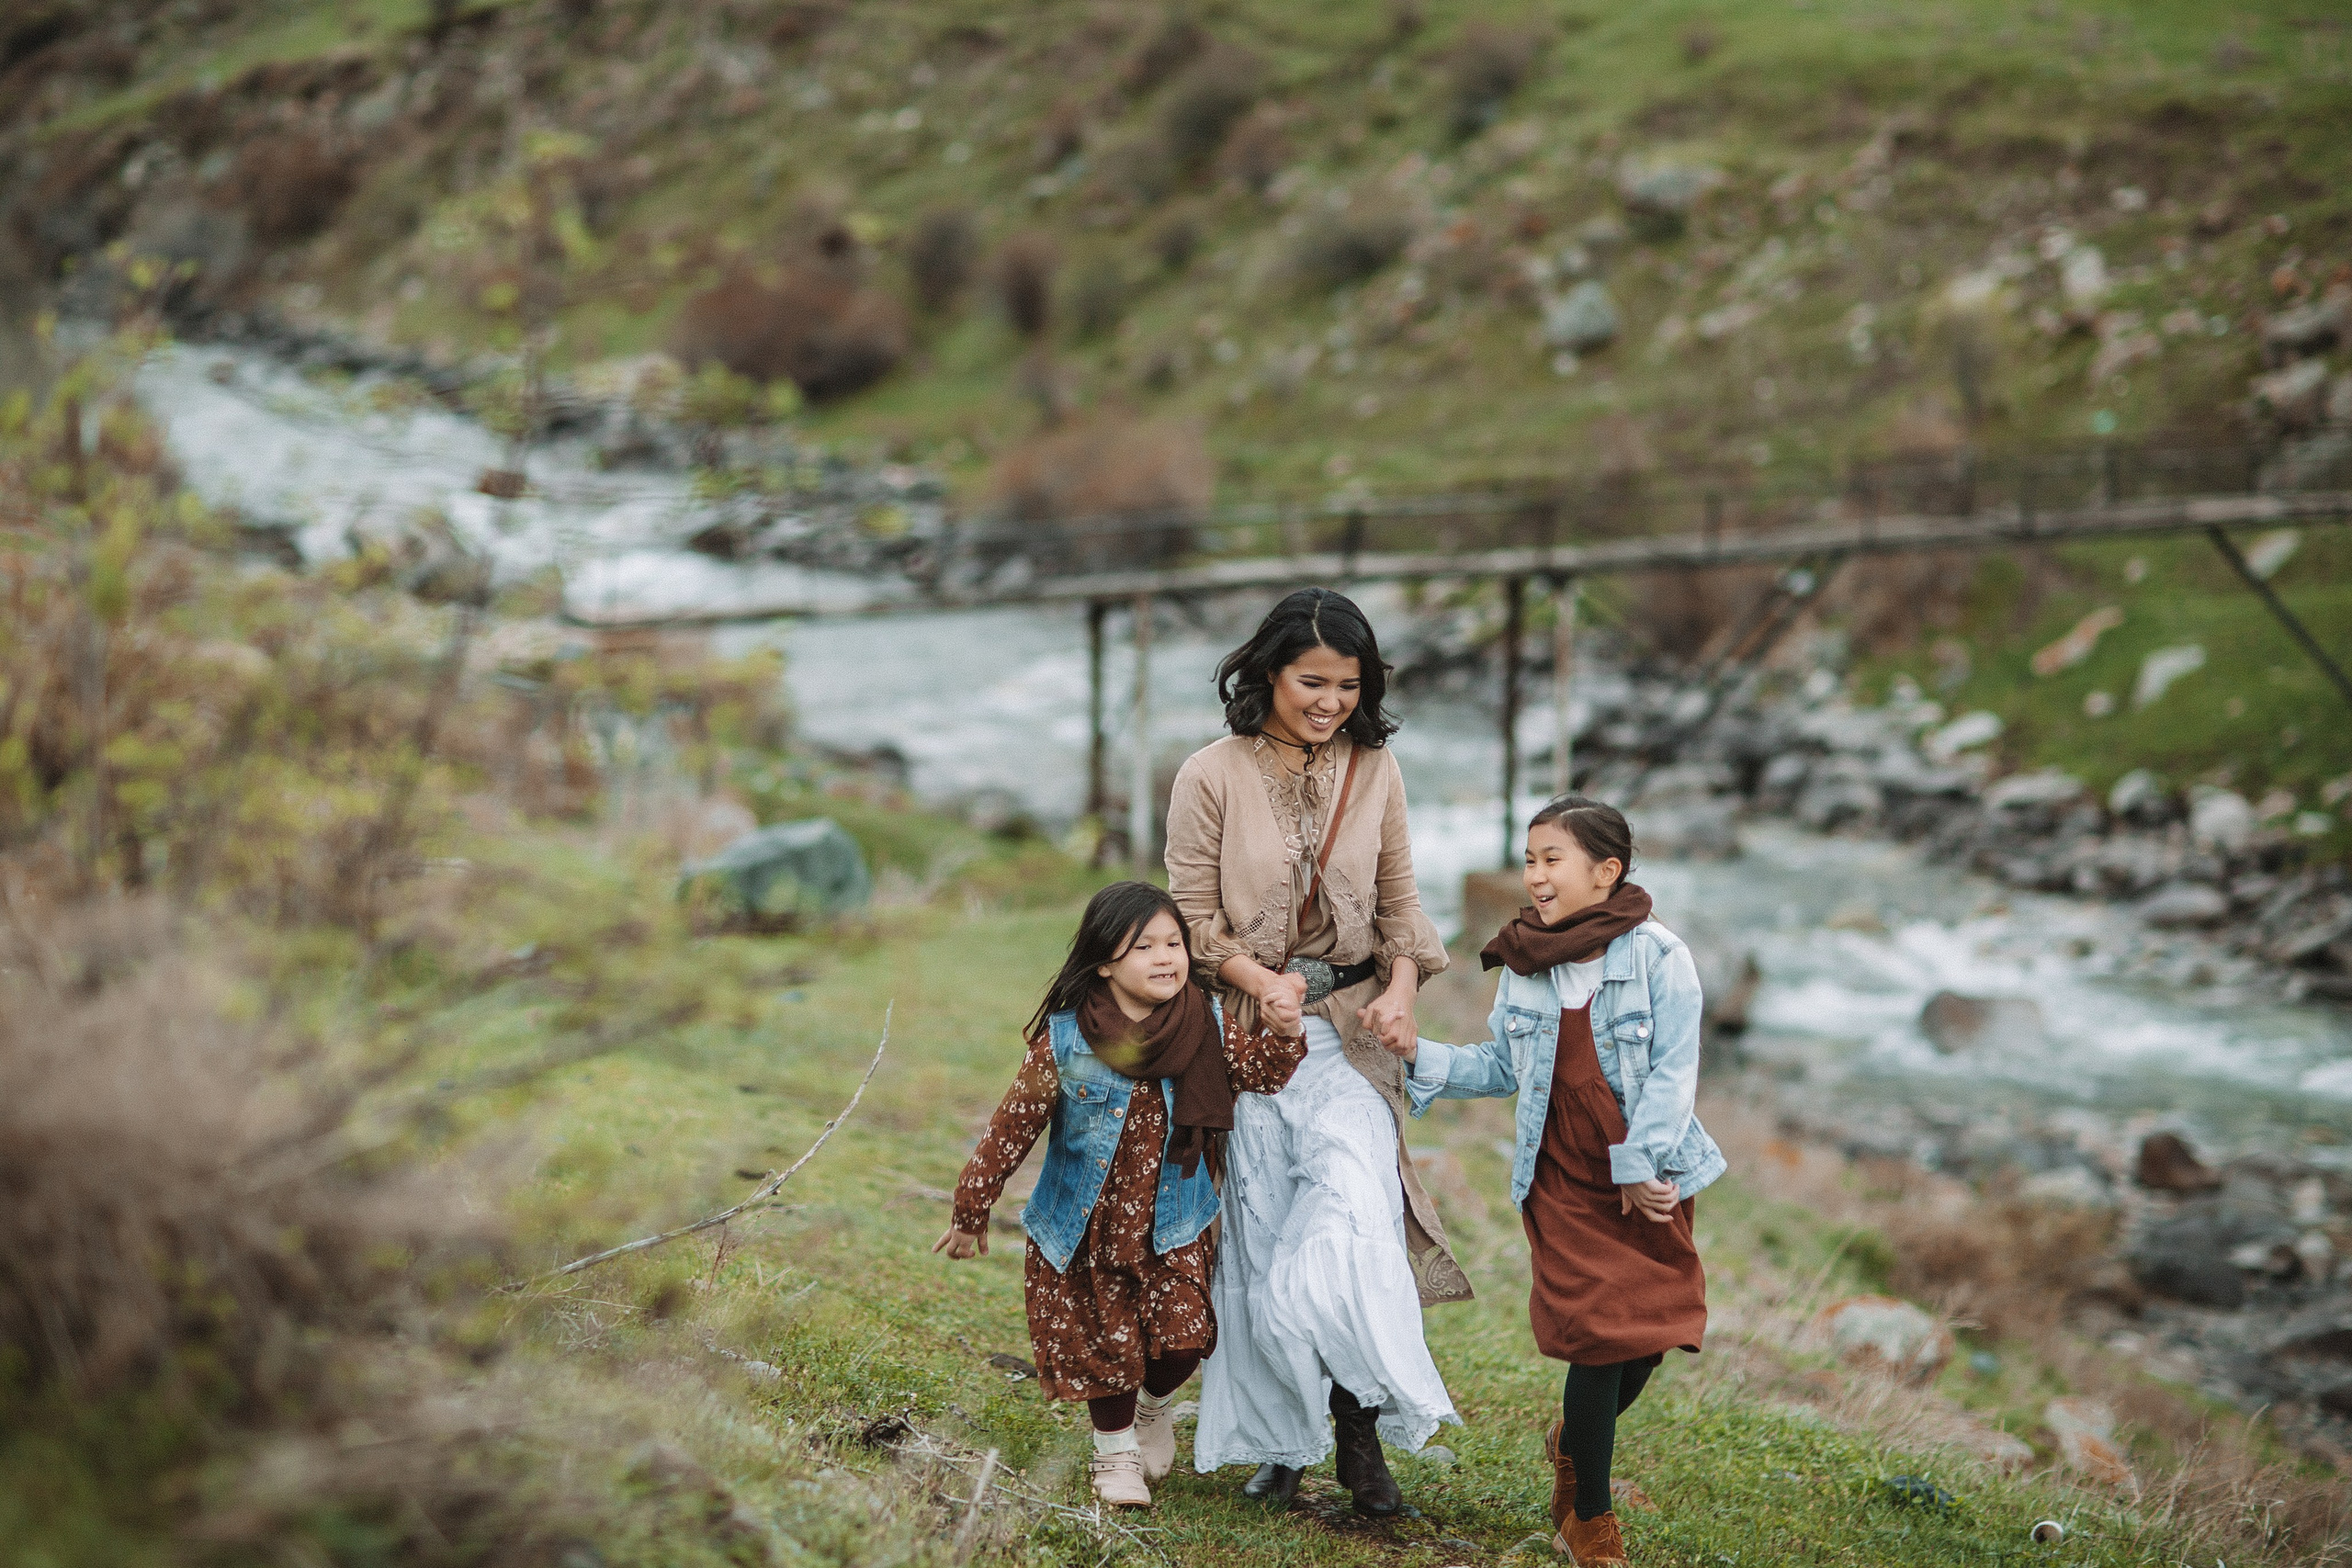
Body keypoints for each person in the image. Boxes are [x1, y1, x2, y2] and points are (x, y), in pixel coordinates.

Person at [1165, 586, 1469, 1517]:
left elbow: (1401, 905)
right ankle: (1285, 1443)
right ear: (1268, 673)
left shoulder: (1378, 768)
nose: (1331, 701)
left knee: (1352, 1215)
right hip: (1247, 1037)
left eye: (1349, 684)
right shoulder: (1208, 773)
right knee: (1260, 1235)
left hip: (1349, 1035)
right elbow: (1190, 920)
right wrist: (1260, 985)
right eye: (1312, 682)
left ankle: (1358, 1434)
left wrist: (1403, 993)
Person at [1395, 796, 1724, 1567]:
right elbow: (1503, 1065)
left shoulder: (1660, 956)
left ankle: (1573, 1440)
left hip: (1644, 1168)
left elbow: (1675, 1072)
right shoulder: (1527, 961)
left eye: (1553, 859)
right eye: (1530, 859)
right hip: (1564, 1177)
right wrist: (1420, 1055)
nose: (1536, 875)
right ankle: (1590, 1520)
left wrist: (1640, 1165)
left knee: (1649, 1335)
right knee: (1599, 1338)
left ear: (1607, 871)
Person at [936, 881, 1305, 1510]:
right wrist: (972, 1209)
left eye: (1174, 943)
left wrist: (1284, 1028)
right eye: (1144, 947)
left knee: (1184, 1340)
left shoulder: (1205, 1023)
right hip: (1086, 1229)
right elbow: (1011, 1127)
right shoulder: (1069, 1041)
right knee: (1107, 1350)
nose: (1165, 957)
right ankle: (1114, 1455)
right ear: (1104, 961)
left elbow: (1263, 1075)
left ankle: (1154, 1408)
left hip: (1174, 1221)